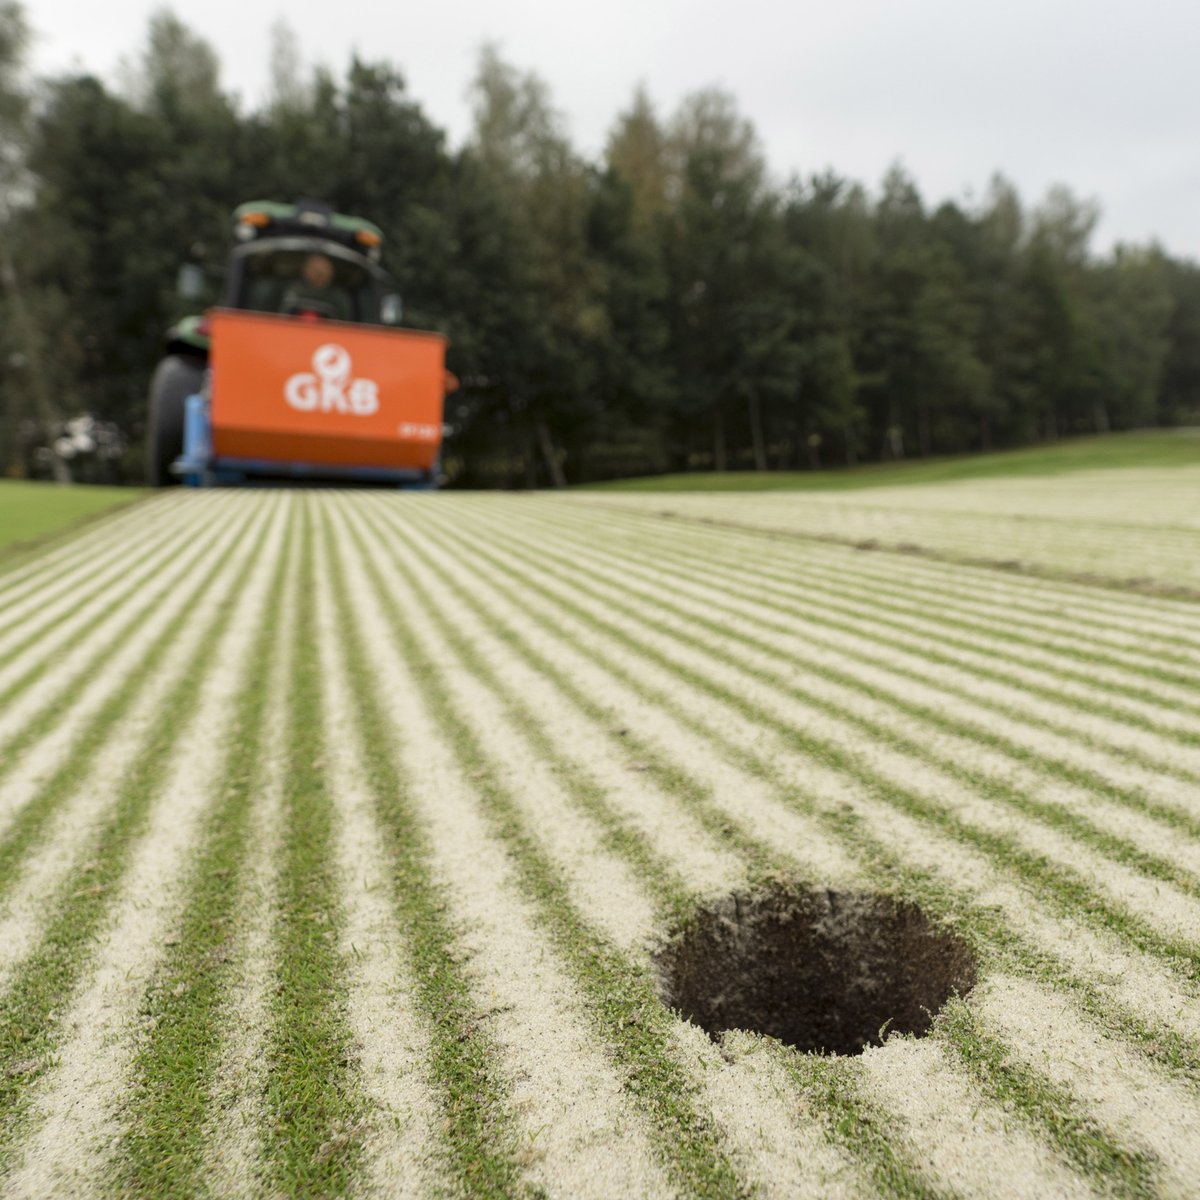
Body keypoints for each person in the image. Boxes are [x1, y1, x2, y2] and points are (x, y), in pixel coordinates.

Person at [281, 253, 349, 320]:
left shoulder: (339, 297)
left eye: (322, 272)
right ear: (305, 270)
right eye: (315, 270)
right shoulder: (291, 290)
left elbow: (347, 324)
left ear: (332, 272)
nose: (319, 275)